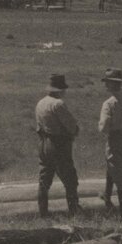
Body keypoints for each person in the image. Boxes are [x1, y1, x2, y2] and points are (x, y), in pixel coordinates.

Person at [34, 74, 81, 217]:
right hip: (58, 144)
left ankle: (43, 213)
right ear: (60, 90)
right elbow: (72, 126)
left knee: (44, 180)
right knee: (70, 180)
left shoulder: (40, 103)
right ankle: (74, 212)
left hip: (43, 143)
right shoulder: (58, 104)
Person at [98, 68, 122, 215]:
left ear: (109, 84)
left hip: (115, 138)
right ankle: (107, 197)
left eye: (107, 82)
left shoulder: (108, 104)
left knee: (119, 177)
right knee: (118, 169)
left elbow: (103, 127)